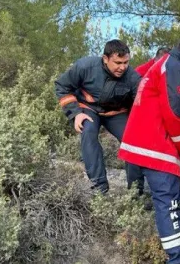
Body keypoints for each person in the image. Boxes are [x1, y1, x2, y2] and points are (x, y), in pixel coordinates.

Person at [119, 31, 180, 264]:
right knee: (168, 202)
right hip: (155, 143)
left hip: (157, 139)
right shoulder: (174, 66)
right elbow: (174, 113)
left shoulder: (174, 66)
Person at [54, 39, 144, 194]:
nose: (122, 67)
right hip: (87, 108)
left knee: (132, 140)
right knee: (88, 131)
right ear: (105, 59)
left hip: (117, 113)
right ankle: (99, 186)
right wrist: (75, 113)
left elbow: (141, 107)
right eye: (117, 62)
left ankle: (136, 191)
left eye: (126, 62)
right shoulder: (85, 66)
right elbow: (62, 86)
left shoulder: (134, 78)